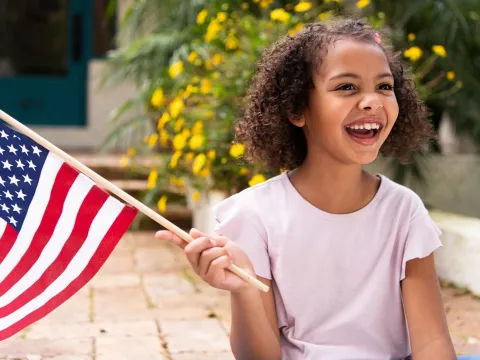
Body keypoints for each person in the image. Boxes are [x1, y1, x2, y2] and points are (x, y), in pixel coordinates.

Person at [156, 18, 473, 360]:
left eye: (384, 86)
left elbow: (432, 345)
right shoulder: (255, 215)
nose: (372, 102)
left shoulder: (403, 210)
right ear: (296, 109)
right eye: (347, 87)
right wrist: (243, 290)